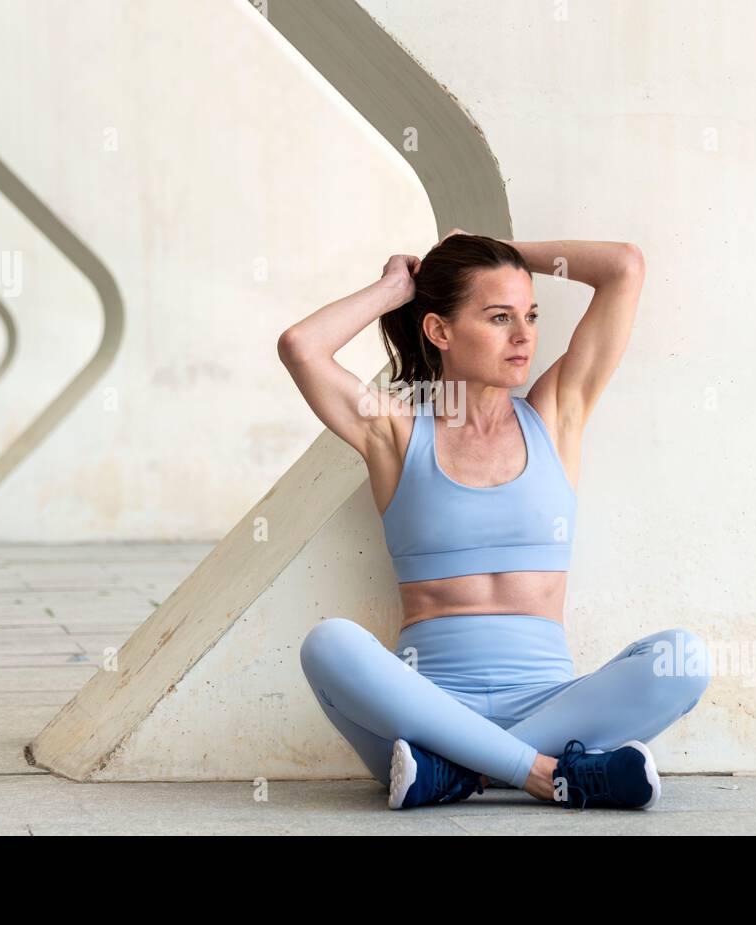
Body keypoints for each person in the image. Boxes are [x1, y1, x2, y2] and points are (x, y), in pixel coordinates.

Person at [278, 231, 711, 809]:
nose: (524, 334)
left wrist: (496, 247)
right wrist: (394, 288)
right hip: (425, 712)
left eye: (530, 315)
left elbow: (624, 266)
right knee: (327, 645)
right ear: (440, 330)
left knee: (683, 657)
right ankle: (545, 774)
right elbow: (300, 346)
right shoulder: (398, 435)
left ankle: (461, 776)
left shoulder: (556, 417)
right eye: (499, 316)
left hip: (544, 706)